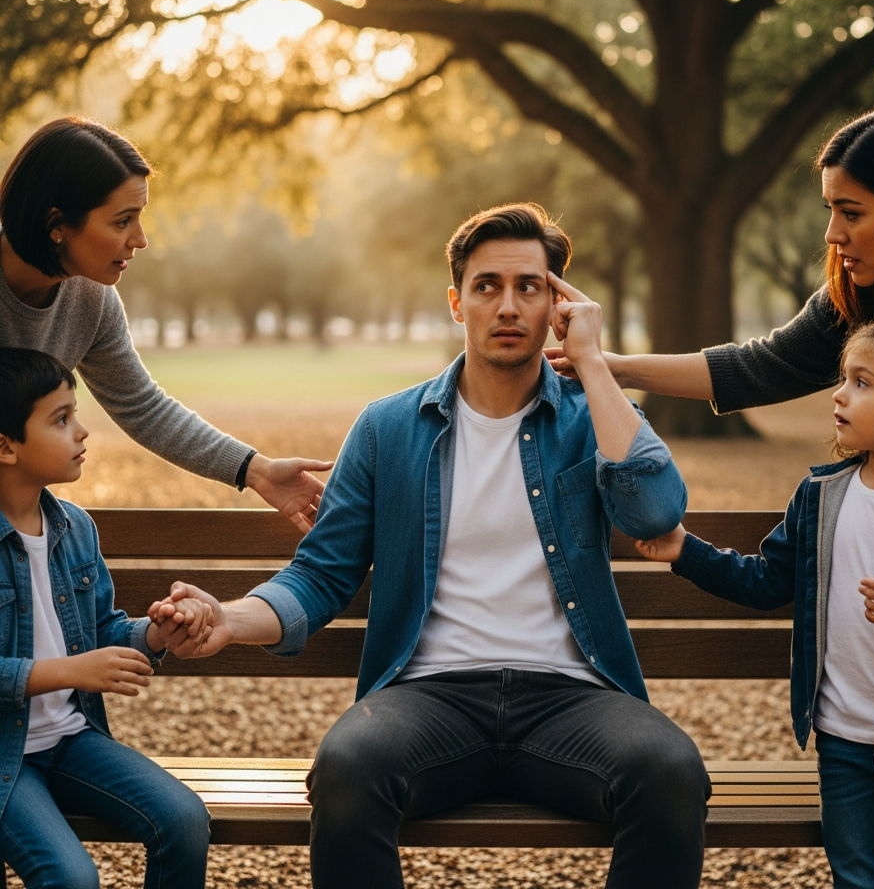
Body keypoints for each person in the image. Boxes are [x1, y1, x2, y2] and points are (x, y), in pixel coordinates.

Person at [151, 204, 711, 889]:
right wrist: (229, 619)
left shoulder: (594, 417)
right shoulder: (387, 428)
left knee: (671, 773)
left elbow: (655, 511)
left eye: (530, 287)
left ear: (559, 306)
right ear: (456, 303)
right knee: (347, 770)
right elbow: (321, 573)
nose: (508, 306)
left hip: (571, 700)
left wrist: (592, 364)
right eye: (487, 286)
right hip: (428, 700)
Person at [553, 108, 874, 655]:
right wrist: (607, 366)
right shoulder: (865, 291)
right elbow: (759, 367)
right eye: (830, 210)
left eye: (851, 213)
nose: (832, 234)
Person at [635, 321, 874, 888]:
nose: (838, 394)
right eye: (843, 379)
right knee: (855, 879)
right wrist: (686, 550)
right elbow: (767, 581)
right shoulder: (821, 495)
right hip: (843, 742)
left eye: (862, 382)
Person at [0, 117, 331, 531]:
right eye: (123, 221)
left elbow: (143, 408)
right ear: (58, 226)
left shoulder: (91, 299)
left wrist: (256, 470)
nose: (141, 239)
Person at [0, 346, 214, 889]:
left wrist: (156, 633)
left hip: (72, 740)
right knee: (72, 878)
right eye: (61, 419)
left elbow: (102, 632)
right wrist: (70, 671)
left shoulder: (75, 528)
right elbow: (79, 664)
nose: (82, 432)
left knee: (184, 820)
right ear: (5, 445)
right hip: (5, 757)